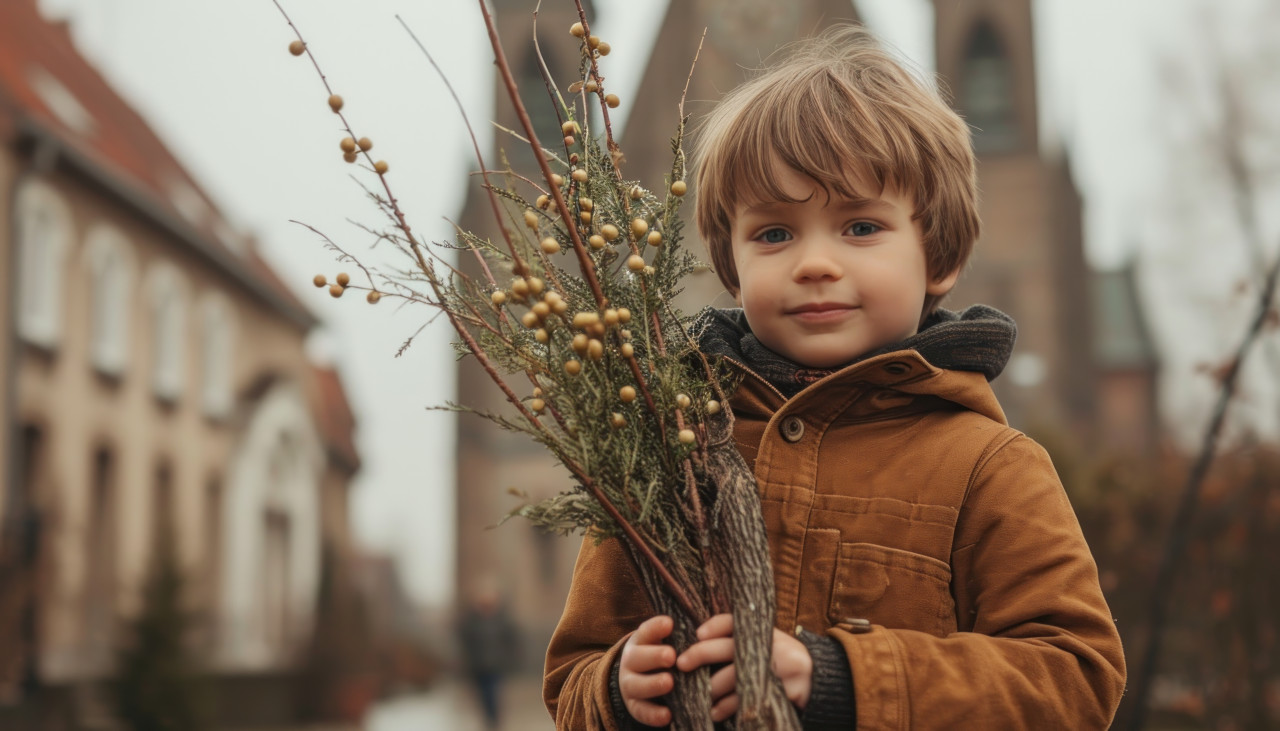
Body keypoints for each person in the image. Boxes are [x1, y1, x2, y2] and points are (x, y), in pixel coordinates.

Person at [543, 24, 1126, 730]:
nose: (814, 263)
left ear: (937, 255)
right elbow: (572, 675)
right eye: (775, 234)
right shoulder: (664, 450)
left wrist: (846, 678)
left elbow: (1075, 677)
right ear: (731, 265)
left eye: (859, 227)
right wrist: (615, 688)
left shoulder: (990, 467)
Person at [460, 581, 520, 730]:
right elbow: (466, 641)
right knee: (482, 695)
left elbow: (510, 640)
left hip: (496, 665)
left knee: (493, 693)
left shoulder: (501, 619)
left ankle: (493, 722)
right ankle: (488, 719)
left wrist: (509, 658)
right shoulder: (472, 620)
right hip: (478, 666)